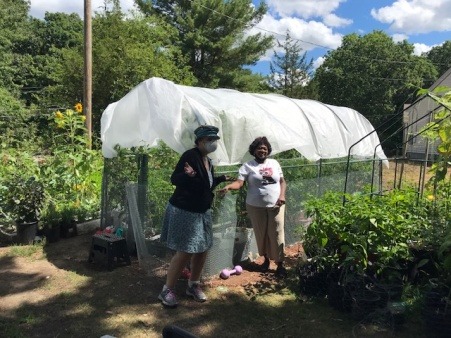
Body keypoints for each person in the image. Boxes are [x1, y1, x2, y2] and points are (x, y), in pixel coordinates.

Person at [158, 125, 231, 307]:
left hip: (201, 211)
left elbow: (205, 185)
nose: (213, 143)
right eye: (209, 140)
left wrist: (220, 179)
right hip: (185, 210)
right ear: (199, 142)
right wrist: (187, 176)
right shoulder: (190, 156)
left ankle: (193, 285)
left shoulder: (208, 161)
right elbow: (175, 179)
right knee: (185, 251)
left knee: (202, 249)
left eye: (214, 140)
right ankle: (167, 290)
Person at [219, 136, 287, 278]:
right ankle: (266, 260)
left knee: (276, 232)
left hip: (276, 205)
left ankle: (280, 264)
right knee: (261, 234)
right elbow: (239, 183)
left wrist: (282, 196)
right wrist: (229, 187)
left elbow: (282, 182)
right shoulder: (247, 166)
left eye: (265, 148)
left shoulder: (274, 163)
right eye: (259, 148)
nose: (262, 150)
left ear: (268, 151)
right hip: (255, 206)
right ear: (254, 150)